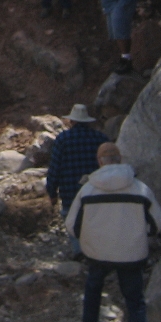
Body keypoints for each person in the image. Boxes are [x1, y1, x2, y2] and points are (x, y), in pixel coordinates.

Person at [66, 142, 161, 322]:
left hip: (98, 253)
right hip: (131, 253)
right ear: (120, 160)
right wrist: (140, 235)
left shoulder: (88, 189)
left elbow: (72, 226)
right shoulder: (139, 188)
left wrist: (90, 239)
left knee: (92, 291)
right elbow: (157, 223)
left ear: (99, 161)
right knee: (135, 303)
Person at [46, 103, 110, 258]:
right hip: (95, 189)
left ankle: (78, 251)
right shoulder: (101, 138)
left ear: (71, 121)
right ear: (88, 121)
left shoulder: (62, 139)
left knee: (71, 219)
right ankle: (95, 251)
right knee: (94, 220)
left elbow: (55, 168)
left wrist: (52, 192)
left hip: (70, 191)